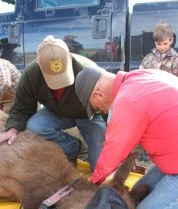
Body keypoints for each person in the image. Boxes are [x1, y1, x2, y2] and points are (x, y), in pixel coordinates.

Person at [75, 66, 178, 209]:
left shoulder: (127, 101)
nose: (102, 111)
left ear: (98, 94)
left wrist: (91, 187)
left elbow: (111, 155)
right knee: (139, 195)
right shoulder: (142, 76)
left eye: (97, 108)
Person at [0, 35, 106, 170]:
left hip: (88, 113)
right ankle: (73, 147)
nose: (58, 85)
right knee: (34, 128)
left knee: (101, 167)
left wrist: (115, 138)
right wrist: (13, 129)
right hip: (58, 112)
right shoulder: (31, 74)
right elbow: (22, 108)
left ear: (70, 57)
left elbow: (109, 106)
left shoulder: (90, 70)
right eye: (52, 78)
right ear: (39, 64)